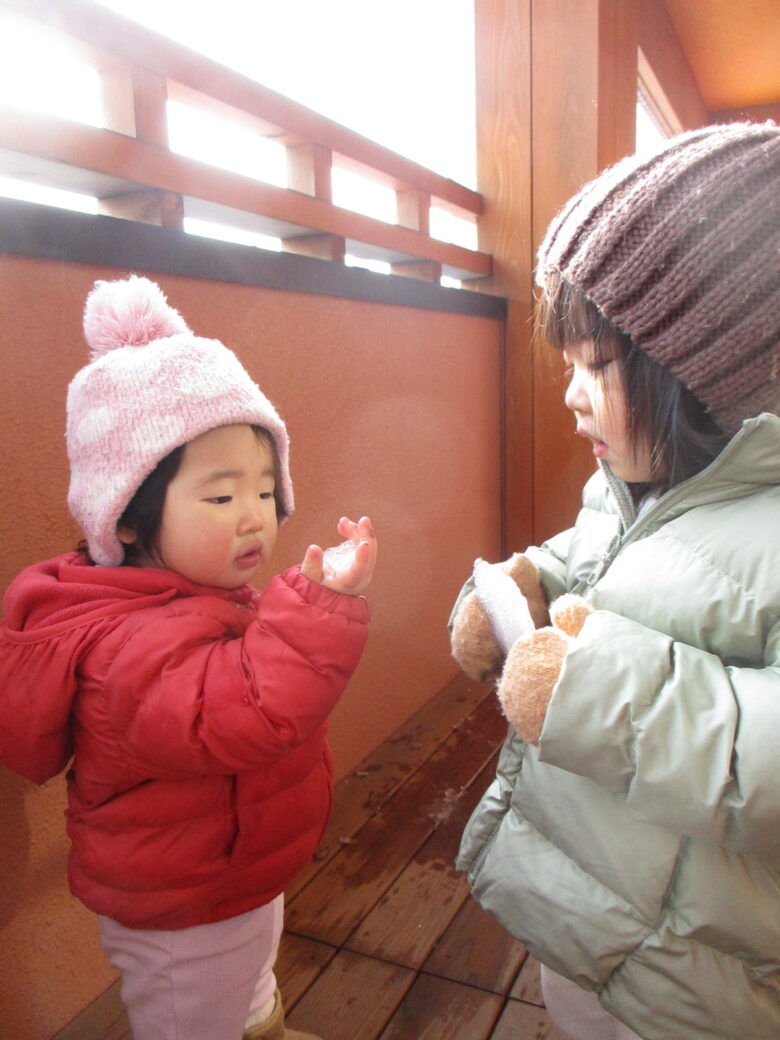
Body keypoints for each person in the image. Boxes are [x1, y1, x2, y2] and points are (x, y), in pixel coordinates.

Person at [450, 121, 780, 1040]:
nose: (571, 393)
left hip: (696, 979)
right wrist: (522, 586)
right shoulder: (633, 483)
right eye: (569, 364)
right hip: (583, 914)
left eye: (599, 365)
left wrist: (594, 692)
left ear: (719, 372)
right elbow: (593, 566)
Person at [0, 275, 378, 1040]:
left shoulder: (195, 595)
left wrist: (293, 601)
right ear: (129, 519)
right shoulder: (124, 647)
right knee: (194, 1018)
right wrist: (313, 608)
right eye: (219, 497)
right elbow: (244, 710)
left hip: (227, 872)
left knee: (247, 975)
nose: (255, 517)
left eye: (267, 492)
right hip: (180, 904)